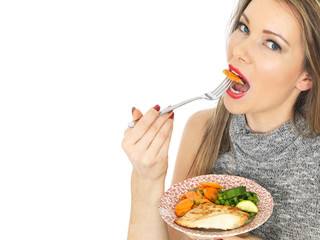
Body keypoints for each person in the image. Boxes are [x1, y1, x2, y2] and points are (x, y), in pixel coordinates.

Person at [122, 0, 320, 239]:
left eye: (272, 44)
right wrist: (147, 178)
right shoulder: (202, 129)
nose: (239, 50)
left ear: (306, 75)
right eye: (244, 28)